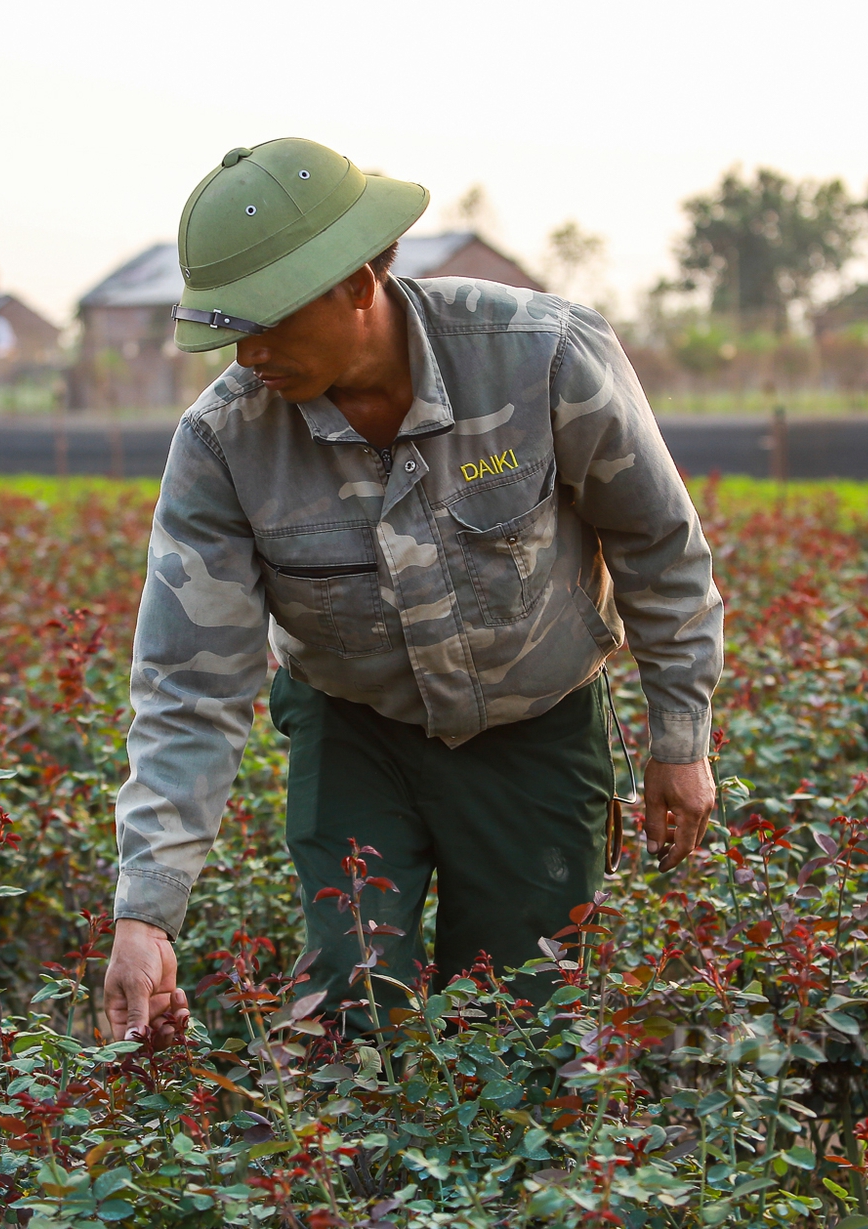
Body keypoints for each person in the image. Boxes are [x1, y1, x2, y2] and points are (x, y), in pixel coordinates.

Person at [104, 137, 724, 1039]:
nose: (249, 354)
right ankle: (350, 1171)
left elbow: (658, 547)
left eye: (268, 321)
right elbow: (189, 683)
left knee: (519, 1025)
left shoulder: (541, 356)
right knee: (351, 1009)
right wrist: (147, 909)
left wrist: (680, 738)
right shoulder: (224, 443)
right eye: (232, 329)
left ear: (359, 285)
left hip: (538, 732)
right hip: (356, 735)